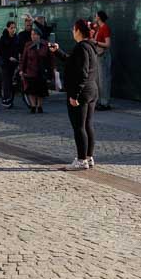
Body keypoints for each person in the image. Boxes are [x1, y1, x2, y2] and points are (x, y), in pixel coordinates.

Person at [51, 19, 102, 169]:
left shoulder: (81, 47)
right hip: (92, 90)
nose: (73, 32)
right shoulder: (90, 46)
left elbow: (82, 72)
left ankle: (81, 160)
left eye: (74, 29)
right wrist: (57, 52)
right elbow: (72, 61)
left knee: (79, 126)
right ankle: (89, 157)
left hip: (82, 92)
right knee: (87, 125)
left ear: (79, 31)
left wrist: (75, 95)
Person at [19, 25, 51, 114]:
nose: (33, 36)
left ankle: (39, 106)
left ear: (39, 35)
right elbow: (24, 58)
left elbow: (49, 59)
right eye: (32, 34)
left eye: (35, 34)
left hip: (41, 70)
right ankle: (33, 106)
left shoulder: (45, 44)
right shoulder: (28, 45)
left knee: (41, 90)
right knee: (31, 90)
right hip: (30, 70)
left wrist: (51, 70)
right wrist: (21, 69)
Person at [0, 21, 21, 108]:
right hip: (6, 62)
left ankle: (11, 98)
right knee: (6, 81)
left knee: (13, 81)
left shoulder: (17, 38)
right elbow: (1, 51)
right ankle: (5, 99)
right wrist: (9, 57)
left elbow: (18, 49)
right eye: (11, 28)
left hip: (14, 62)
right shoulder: (3, 38)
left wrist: (17, 57)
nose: (13, 29)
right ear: (7, 28)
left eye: (14, 28)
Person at [92, 10, 114, 111]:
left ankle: (105, 102)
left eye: (96, 16)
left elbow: (108, 44)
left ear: (99, 17)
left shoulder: (105, 28)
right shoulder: (99, 28)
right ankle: (99, 101)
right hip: (98, 55)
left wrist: (96, 42)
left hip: (103, 55)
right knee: (97, 79)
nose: (95, 17)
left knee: (103, 80)